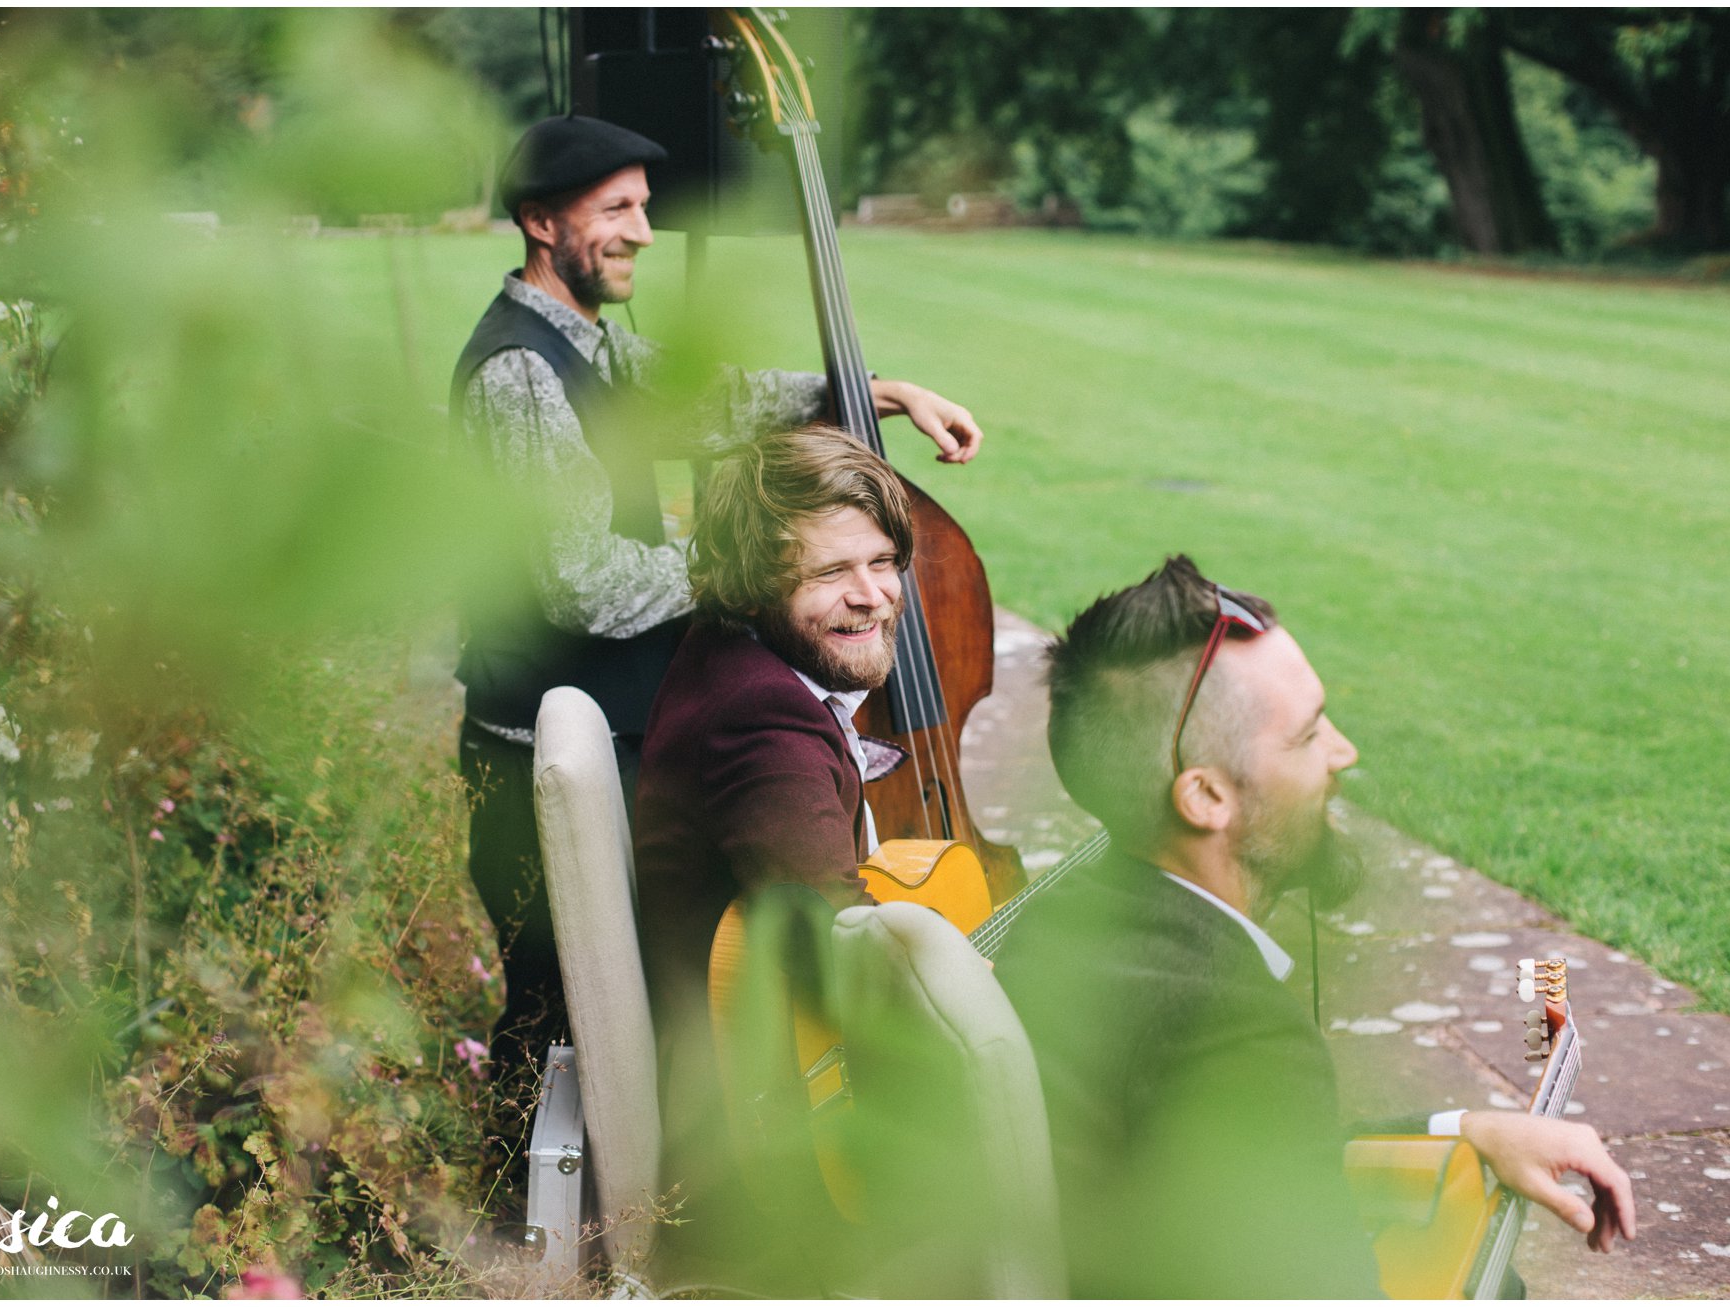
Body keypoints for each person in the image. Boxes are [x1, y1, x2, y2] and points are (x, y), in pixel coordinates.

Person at [451, 115, 981, 1051]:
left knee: (617, 1013)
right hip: (532, 751)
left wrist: (880, 389)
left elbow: (718, 398)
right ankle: (517, 1198)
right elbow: (584, 583)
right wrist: (753, 570)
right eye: (616, 209)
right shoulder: (523, 372)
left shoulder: (586, 344)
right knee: (558, 1021)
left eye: (645, 209)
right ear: (540, 222)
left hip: (603, 726)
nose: (644, 233)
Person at [992, 555, 1636, 1298]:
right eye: (1305, 736)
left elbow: (1245, 1155)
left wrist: (1468, 1129)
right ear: (1205, 796)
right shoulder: (1232, 1022)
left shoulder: (1063, 916)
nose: (1343, 751)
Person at [629, 425, 913, 1281]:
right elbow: (845, 958)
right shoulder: (767, 721)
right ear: (756, 582)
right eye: (829, 573)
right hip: (776, 1147)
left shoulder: (726, 656)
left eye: (883, 561)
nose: (871, 595)